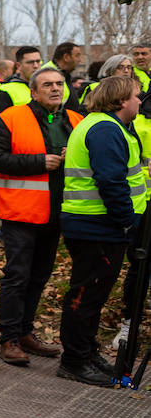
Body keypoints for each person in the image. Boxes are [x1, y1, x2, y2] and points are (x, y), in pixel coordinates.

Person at [0, 67, 78, 366]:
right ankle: (9, 338)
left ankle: (25, 332)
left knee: (39, 277)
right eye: (47, 85)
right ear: (33, 91)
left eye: (59, 84)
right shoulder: (12, 118)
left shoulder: (75, 121)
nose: (55, 89)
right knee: (17, 276)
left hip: (57, 215)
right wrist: (39, 162)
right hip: (20, 214)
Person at [57, 76, 144, 387]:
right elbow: (111, 182)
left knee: (94, 293)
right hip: (97, 226)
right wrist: (128, 222)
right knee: (87, 294)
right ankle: (74, 360)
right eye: (136, 96)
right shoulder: (106, 129)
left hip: (97, 225)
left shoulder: (103, 124)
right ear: (121, 101)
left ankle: (85, 350)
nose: (140, 101)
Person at [0, 46, 43, 114]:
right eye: (30, 62)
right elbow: (1, 122)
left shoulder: (50, 85)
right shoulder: (7, 90)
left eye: (38, 61)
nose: (35, 66)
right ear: (18, 66)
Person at [43, 41, 83, 110]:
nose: (80, 60)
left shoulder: (64, 73)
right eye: (77, 55)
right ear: (66, 57)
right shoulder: (47, 73)